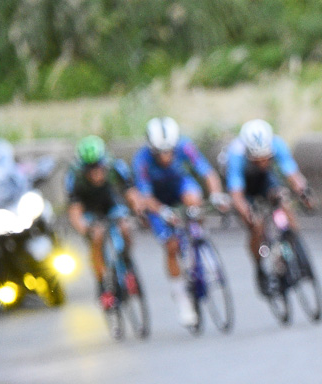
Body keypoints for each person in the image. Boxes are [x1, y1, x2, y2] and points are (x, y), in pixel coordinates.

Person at [132, 116, 230, 328]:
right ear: (151, 149)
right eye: (160, 153)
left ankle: (199, 240)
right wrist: (162, 212)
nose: (166, 157)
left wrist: (215, 195)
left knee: (194, 202)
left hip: (179, 187)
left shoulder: (185, 146)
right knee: (172, 245)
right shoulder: (141, 160)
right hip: (156, 199)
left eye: (169, 151)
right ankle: (182, 299)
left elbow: (208, 173)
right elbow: (145, 198)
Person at [224, 118, 312, 295]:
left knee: (283, 202)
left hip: (265, 180)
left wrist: (304, 193)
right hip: (245, 187)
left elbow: (293, 174)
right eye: (258, 159)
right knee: (255, 225)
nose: (263, 162)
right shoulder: (236, 154)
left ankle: (294, 245)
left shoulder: (277, 143)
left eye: (267, 157)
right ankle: (259, 266)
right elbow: (236, 195)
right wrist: (247, 214)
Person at [65, 135, 139, 309]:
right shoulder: (74, 178)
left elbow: (131, 194)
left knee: (125, 227)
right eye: (91, 170)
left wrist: (137, 211)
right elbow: (75, 212)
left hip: (111, 205)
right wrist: (86, 229)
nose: (96, 174)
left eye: (99, 168)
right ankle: (103, 285)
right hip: (89, 211)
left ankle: (126, 262)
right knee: (97, 238)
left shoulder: (117, 167)